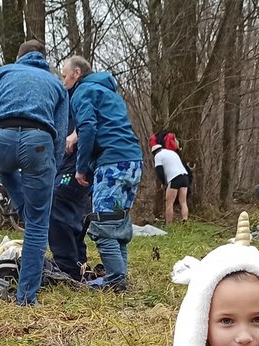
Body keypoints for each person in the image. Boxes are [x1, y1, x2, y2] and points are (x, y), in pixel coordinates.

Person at [0, 39, 67, 306]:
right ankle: (25, 298)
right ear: (44, 60)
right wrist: (52, 169)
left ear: (19, 57)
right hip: (39, 142)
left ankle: (23, 206)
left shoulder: (4, 72)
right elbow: (60, 135)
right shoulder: (56, 83)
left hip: (1, 142)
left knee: (7, 170)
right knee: (37, 224)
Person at [62, 55, 143, 291]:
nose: (63, 80)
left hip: (112, 163)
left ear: (77, 73)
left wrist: (81, 167)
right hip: (133, 161)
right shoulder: (109, 93)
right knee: (118, 223)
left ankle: (116, 280)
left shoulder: (82, 92)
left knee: (102, 227)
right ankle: (120, 277)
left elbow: (88, 128)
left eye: (65, 75)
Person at [48, 124, 90, 281]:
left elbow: (90, 121)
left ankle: (67, 267)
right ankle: (78, 263)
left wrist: (77, 132)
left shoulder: (80, 99)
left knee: (58, 204)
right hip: (70, 164)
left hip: (74, 165)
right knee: (73, 214)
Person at [151, 139, 189, 224]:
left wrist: (164, 183)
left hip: (174, 178)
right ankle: (185, 221)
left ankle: (169, 224)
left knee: (169, 203)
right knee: (183, 202)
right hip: (184, 176)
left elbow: (159, 171)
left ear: (154, 152)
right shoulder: (172, 152)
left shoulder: (158, 156)